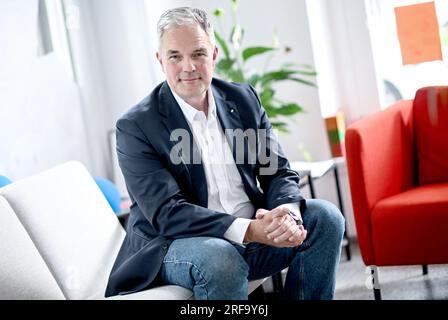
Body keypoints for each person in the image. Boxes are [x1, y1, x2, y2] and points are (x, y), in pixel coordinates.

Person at [105, 6, 345, 300]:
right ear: (160, 60)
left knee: (326, 218)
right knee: (220, 257)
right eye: (175, 56)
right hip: (176, 244)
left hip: (254, 232)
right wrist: (252, 230)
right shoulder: (137, 126)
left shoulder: (242, 99)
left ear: (214, 54)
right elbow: (168, 213)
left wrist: (287, 216)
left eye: (198, 54)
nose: (188, 67)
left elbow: (276, 171)